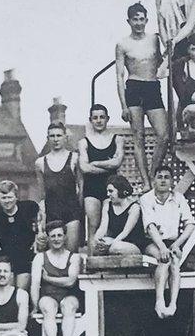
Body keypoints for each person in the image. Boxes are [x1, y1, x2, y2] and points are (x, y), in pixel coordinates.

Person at [116, 2, 171, 183]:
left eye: (141, 19)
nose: (139, 23)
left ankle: (153, 174)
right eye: (135, 20)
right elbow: (119, 75)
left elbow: (165, 59)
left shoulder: (154, 39)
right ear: (129, 21)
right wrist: (123, 105)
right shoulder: (123, 44)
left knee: (163, 134)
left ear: (146, 20)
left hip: (152, 87)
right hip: (134, 87)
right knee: (138, 137)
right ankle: (146, 182)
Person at [140, 165, 195, 318]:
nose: (163, 180)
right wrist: (162, 247)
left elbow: (190, 224)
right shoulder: (146, 199)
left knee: (175, 261)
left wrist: (177, 243)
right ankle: (159, 301)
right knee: (163, 259)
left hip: (173, 242)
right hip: (152, 242)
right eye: (160, 177)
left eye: (166, 177)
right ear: (154, 181)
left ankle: (172, 304)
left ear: (172, 181)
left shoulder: (179, 198)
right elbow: (150, 227)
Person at [0, 180, 42, 290]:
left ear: (16, 197)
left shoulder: (29, 208)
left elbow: (41, 219)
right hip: (4, 258)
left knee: (21, 291)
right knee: (8, 291)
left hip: (25, 257)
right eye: (3, 198)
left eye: (10, 197)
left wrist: (39, 235)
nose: (7, 201)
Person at [31, 221, 81, 336]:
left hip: (68, 295)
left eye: (60, 235)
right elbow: (35, 284)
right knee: (48, 308)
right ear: (48, 238)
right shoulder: (40, 257)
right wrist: (35, 306)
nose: (56, 239)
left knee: (69, 307)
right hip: (48, 296)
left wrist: (48, 278)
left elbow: (71, 281)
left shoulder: (74, 257)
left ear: (65, 237)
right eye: (53, 236)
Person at [80, 104, 126, 247]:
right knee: (93, 226)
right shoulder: (84, 142)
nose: (99, 120)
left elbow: (117, 163)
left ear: (107, 119)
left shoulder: (117, 139)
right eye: (95, 118)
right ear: (91, 120)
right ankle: (92, 261)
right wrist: (108, 164)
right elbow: (84, 168)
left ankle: (106, 261)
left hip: (111, 188)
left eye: (102, 117)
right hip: (91, 189)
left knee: (109, 227)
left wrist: (96, 163)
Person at [35, 122, 82, 252]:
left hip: (72, 211)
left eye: (59, 136)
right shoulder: (40, 163)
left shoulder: (74, 158)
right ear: (48, 138)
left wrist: (80, 211)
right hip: (52, 212)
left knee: (71, 253)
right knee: (54, 254)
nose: (56, 139)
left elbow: (81, 187)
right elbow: (41, 194)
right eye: (52, 136)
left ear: (65, 137)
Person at [92, 174, 149, 255]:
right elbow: (103, 227)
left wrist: (111, 243)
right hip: (115, 241)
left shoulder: (134, 207)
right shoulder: (107, 204)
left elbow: (125, 232)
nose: (108, 194)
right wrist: (97, 239)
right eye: (107, 191)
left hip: (133, 244)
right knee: (97, 249)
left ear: (120, 190)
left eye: (111, 191)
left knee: (116, 248)